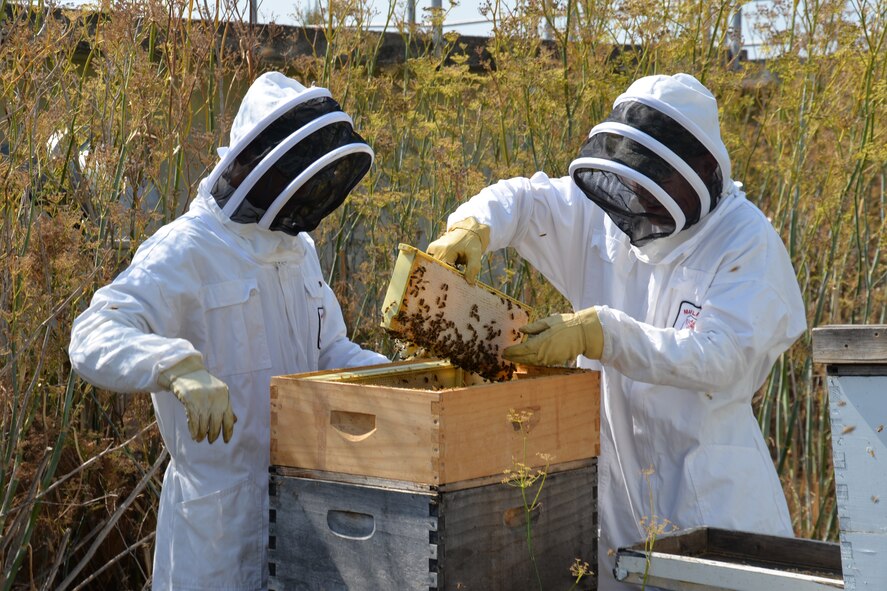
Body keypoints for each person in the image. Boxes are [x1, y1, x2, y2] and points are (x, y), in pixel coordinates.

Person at [427, 73, 806, 590]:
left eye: (655, 176)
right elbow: (525, 201)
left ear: (702, 169)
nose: (639, 192)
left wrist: (600, 332)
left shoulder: (746, 242)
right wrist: (472, 227)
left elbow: (724, 357)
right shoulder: (612, 216)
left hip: (712, 506)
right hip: (613, 510)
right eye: (634, 174)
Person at [68, 72, 389, 590]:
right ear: (253, 164)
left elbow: (330, 352)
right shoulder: (187, 248)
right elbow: (93, 331)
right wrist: (176, 367)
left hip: (303, 510)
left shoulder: (298, 252)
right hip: (213, 529)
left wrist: (411, 379)